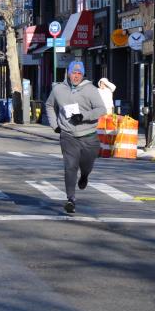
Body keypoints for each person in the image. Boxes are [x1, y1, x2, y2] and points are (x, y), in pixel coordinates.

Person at [44, 60, 106, 214]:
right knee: (70, 166)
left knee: (87, 165)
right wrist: (55, 125)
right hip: (68, 135)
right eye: (73, 73)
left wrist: (83, 116)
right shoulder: (58, 89)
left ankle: (84, 175)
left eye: (79, 73)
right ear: (68, 73)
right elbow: (49, 105)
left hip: (89, 135)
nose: (76, 76)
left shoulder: (91, 90)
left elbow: (101, 109)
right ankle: (70, 199)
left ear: (83, 75)